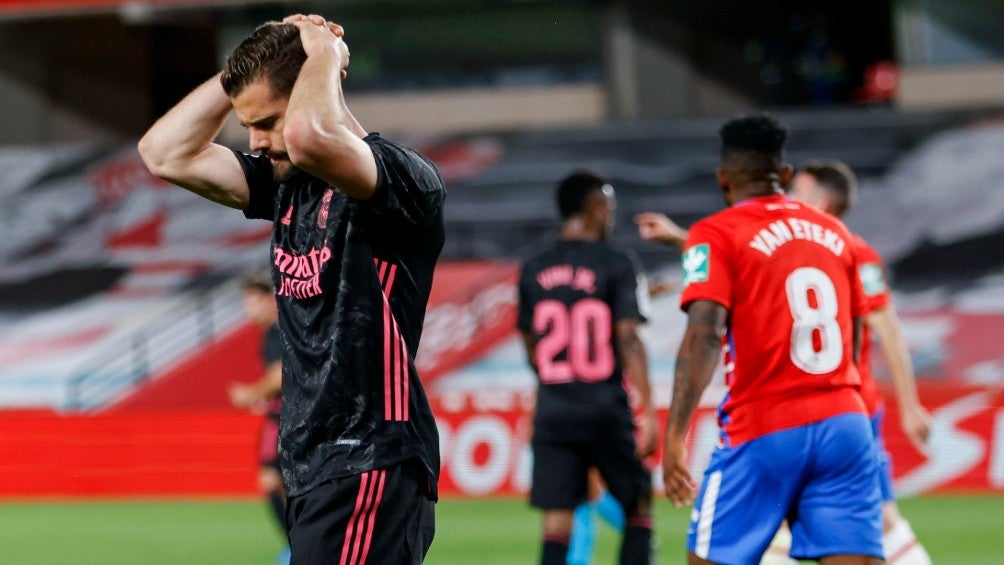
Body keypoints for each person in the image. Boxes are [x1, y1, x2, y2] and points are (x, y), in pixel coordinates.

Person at [138, 14, 444, 564]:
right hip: (311, 464)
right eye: (247, 123)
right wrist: (241, 70)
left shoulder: (401, 179)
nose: (255, 142)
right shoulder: (288, 185)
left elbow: (309, 138)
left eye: (267, 120)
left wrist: (322, 50)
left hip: (370, 455)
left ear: (313, 92)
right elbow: (165, 152)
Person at [660, 114, 882, 564]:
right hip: (845, 421)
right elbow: (856, 328)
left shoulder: (713, 233)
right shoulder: (836, 233)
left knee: (708, 558)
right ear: (783, 176)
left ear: (723, 178)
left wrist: (675, 434)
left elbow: (704, 334)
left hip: (766, 426)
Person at [789, 161, 932, 565]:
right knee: (862, 523)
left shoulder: (856, 253)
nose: (786, 197)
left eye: (797, 189)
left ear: (822, 200)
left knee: (870, 521)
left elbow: (887, 327)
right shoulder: (789, 251)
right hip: (808, 413)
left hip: (847, 411)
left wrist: (910, 405)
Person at [517, 170, 658, 565]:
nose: (610, 217)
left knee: (558, 522)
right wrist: (647, 409)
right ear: (596, 209)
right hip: (605, 407)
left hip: (555, 409)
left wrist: (553, 381)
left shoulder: (533, 267)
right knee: (638, 507)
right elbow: (629, 338)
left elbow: (530, 343)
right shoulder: (615, 262)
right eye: (608, 208)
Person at [227, 270, 287, 562]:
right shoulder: (275, 332)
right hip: (285, 416)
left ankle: (296, 545)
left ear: (268, 300)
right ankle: (298, 544)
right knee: (279, 480)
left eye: (251, 302)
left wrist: (250, 393)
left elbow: (280, 375)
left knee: (273, 481)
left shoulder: (276, 331)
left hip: (284, 418)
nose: (247, 310)